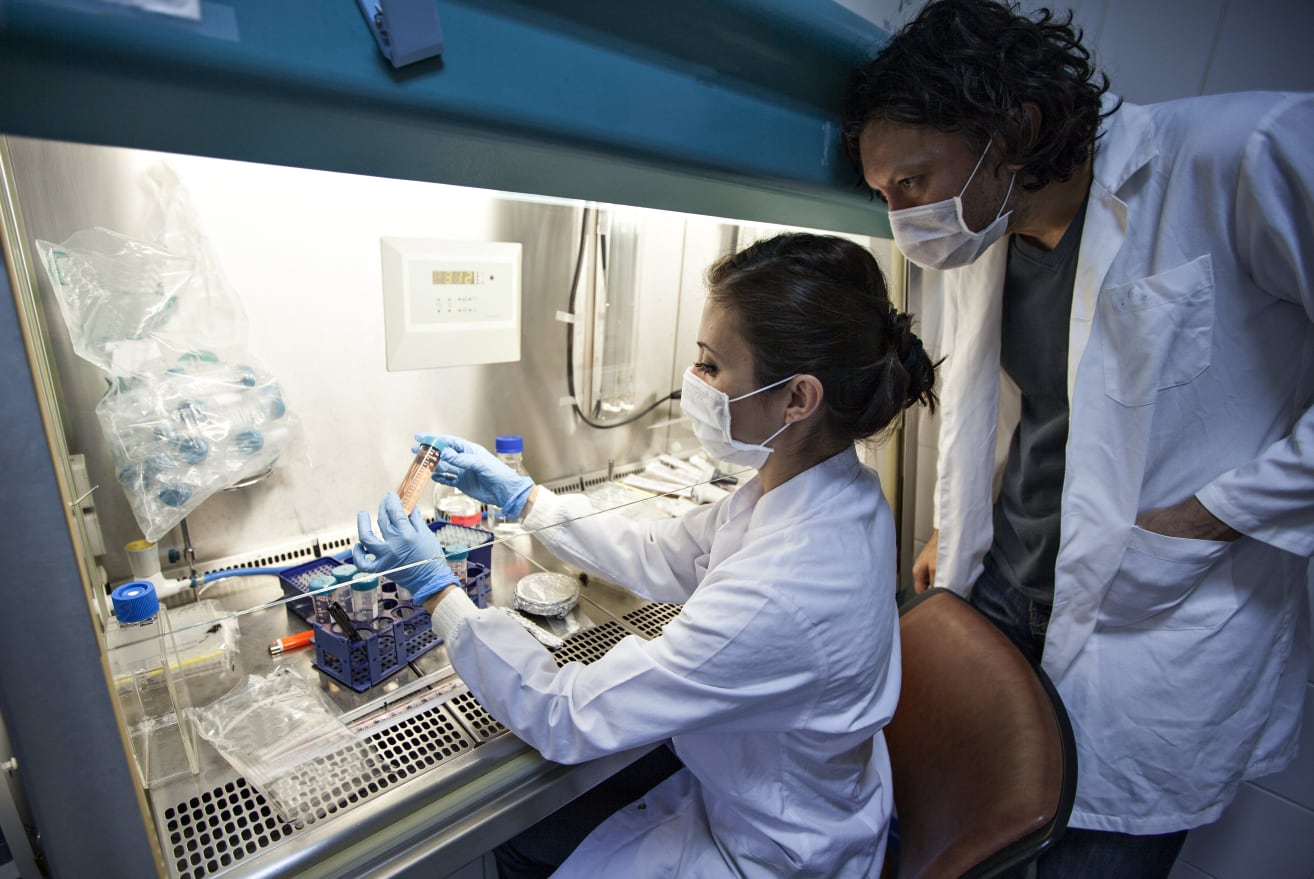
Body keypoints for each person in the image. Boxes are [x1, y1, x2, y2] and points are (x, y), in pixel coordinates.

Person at [841, 1, 1314, 877]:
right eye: (883, 196)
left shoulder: (1244, 153)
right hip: (1003, 596)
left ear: (1014, 130)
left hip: (1150, 615)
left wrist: (1218, 512)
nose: (905, 215)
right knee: (947, 839)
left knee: (1084, 859)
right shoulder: (992, 231)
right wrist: (964, 519)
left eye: (912, 182)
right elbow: (1038, 404)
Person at [354, 232, 937, 878]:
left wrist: (436, 591)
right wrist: (525, 498)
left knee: (524, 843)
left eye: (712, 365)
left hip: (771, 850)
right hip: (770, 787)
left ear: (797, 399)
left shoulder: (785, 587)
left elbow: (565, 712)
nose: (693, 381)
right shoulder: (830, 486)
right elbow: (666, 552)